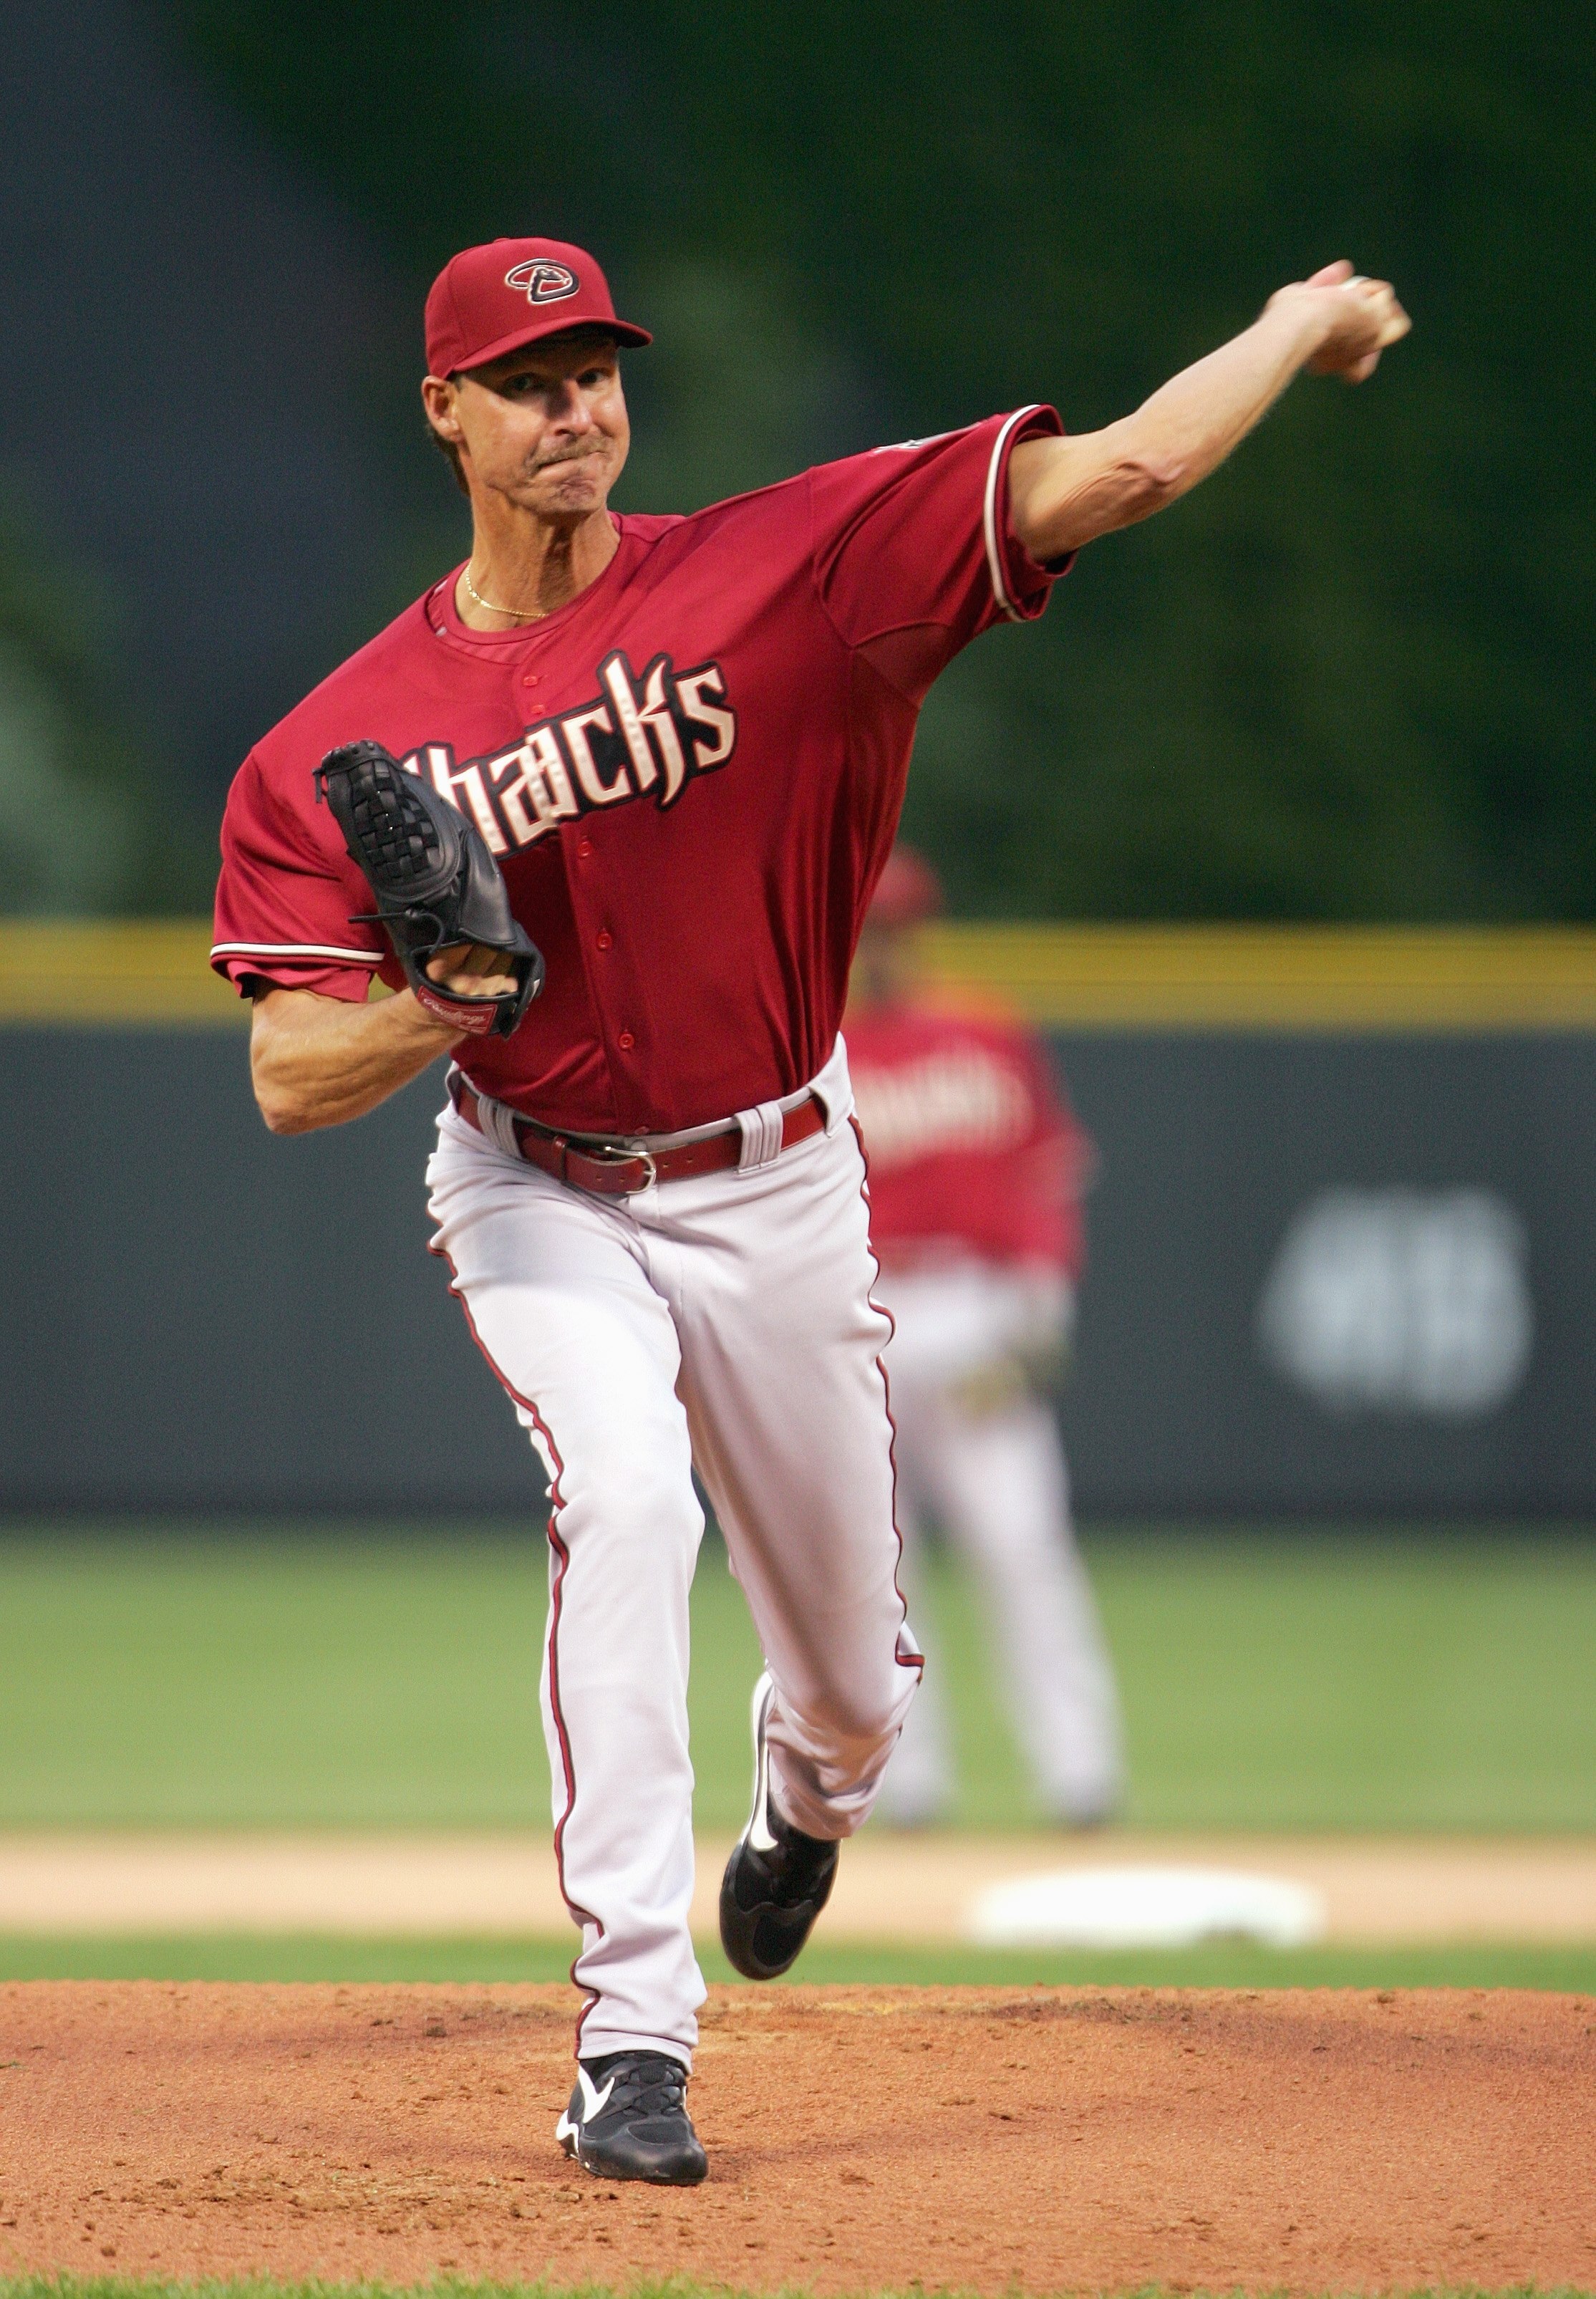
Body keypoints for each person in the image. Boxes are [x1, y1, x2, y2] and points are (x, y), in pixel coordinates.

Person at [211, 232, 1408, 2184]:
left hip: (776, 1179)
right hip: (539, 1184)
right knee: (620, 1493)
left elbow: (1107, 472)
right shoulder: (337, 741)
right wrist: (444, 1001)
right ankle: (629, 2035)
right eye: (525, 381)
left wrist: (1284, 322)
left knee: (853, 1688)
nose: (571, 406)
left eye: (594, 369)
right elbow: (284, 1074)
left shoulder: (792, 569)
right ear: (442, 411)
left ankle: (804, 1808)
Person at [846, 847, 1123, 1827]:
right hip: (854, 1312)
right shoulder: (807, 1051)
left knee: (1022, 1544)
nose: (880, 948)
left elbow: (1042, 1183)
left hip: (970, 1308)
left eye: (895, 929)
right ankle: (907, 1785)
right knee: (877, 1570)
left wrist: (1039, 1314)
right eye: (865, 929)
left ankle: (1079, 1774)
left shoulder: (985, 1034)